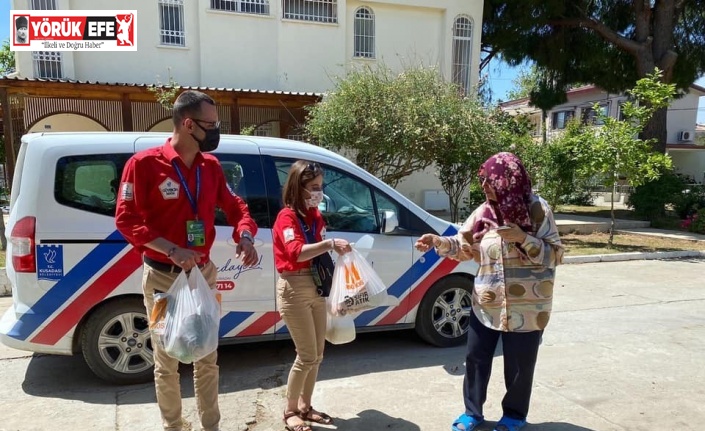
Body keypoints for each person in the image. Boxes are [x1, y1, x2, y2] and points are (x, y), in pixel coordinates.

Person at [115, 90, 259, 431]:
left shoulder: (210, 167)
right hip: (163, 278)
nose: (216, 131)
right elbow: (126, 219)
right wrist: (171, 250)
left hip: (203, 275)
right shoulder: (145, 165)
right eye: (211, 125)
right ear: (188, 123)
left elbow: (236, 207)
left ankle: (211, 426)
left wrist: (246, 234)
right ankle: (174, 426)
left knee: (207, 356)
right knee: (167, 359)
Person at [415, 152, 563, 431]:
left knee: (519, 366)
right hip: (487, 303)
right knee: (475, 358)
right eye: (482, 180)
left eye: (490, 180)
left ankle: (515, 415)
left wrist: (523, 238)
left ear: (508, 179)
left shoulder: (537, 210)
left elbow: (555, 255)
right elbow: (463, 245)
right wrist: (438, 242)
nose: (484, 186)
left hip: (528, 307)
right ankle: (472, 412)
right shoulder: (483, 213)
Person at [272, 160, 352, 431]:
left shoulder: (315, 216)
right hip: (294, 288)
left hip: (316, 286)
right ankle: (290, 411)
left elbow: (317, 250)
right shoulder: (287, 217)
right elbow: (295, 251)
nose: (319, 192)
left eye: (321, 186)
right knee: (306, 355)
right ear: (299, 187)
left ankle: (306, 406)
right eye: (314, 187)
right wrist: (329, 244)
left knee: (317, 354)